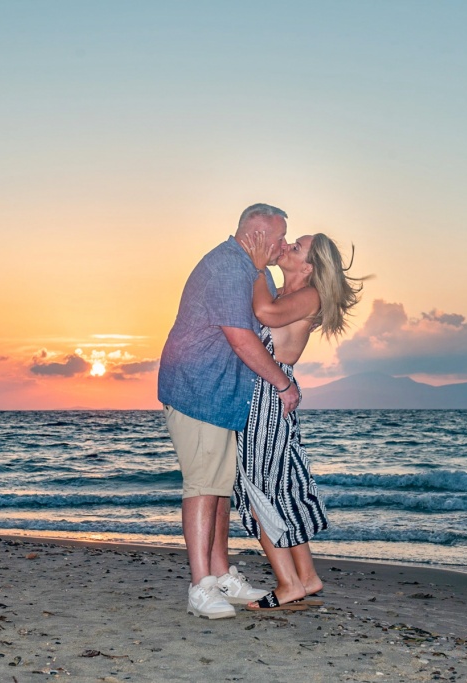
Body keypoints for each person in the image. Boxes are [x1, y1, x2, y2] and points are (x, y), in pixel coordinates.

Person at [158, 203, 301, 619]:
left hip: (224, 395)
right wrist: (283, 383)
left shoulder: (253, 270)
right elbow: (241, 339)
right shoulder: (225, 267)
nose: (284, 245)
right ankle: (200, 586)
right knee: (203, 486)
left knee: (219, 489)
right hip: (198, 389)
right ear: (256, 234)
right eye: (279, 237)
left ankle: (220, 576)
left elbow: (271, 319)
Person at [234, 230, 366, 611]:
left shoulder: (309, 295)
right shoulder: (287, 294)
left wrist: (257, 265)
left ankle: (288, 583)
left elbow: (265, 315)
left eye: (296, 247)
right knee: (281, 488)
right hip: (268, 395)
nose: (287, 246)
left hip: (266, 397)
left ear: (308, 267)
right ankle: (307, 577)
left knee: (257, 491)